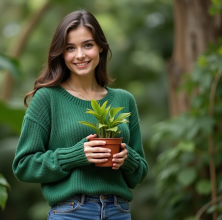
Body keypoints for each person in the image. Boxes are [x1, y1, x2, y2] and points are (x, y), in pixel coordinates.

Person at [12, 10, 148, 220]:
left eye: (87, 45)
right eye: (70, 48)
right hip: (71, 212)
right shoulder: (47, 98)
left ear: (100, 47)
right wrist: (76, 156)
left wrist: (126, 158)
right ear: (61, 53)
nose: (80, 55)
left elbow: (140, 172)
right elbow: (23, 165)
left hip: (118, 211)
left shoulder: (124, 99)